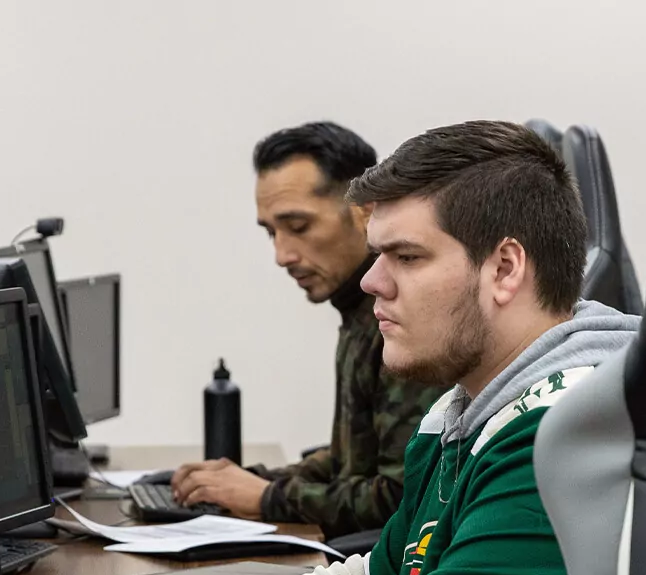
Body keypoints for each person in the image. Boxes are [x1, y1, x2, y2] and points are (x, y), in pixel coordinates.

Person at [227, 120, 639, 575]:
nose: (371, 282)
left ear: (504, 269)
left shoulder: (553, 445)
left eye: (406, 257)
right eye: (379, 255)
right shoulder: (456, 415)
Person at [171, 122, 449, 538]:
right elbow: (350, 459)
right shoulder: (356, 311)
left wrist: (268, 497)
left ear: (364, 212)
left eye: (298, 227)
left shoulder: (404, 318)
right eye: (271, 232)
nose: (281, 255)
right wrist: (254, 481)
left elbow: (402, 496)